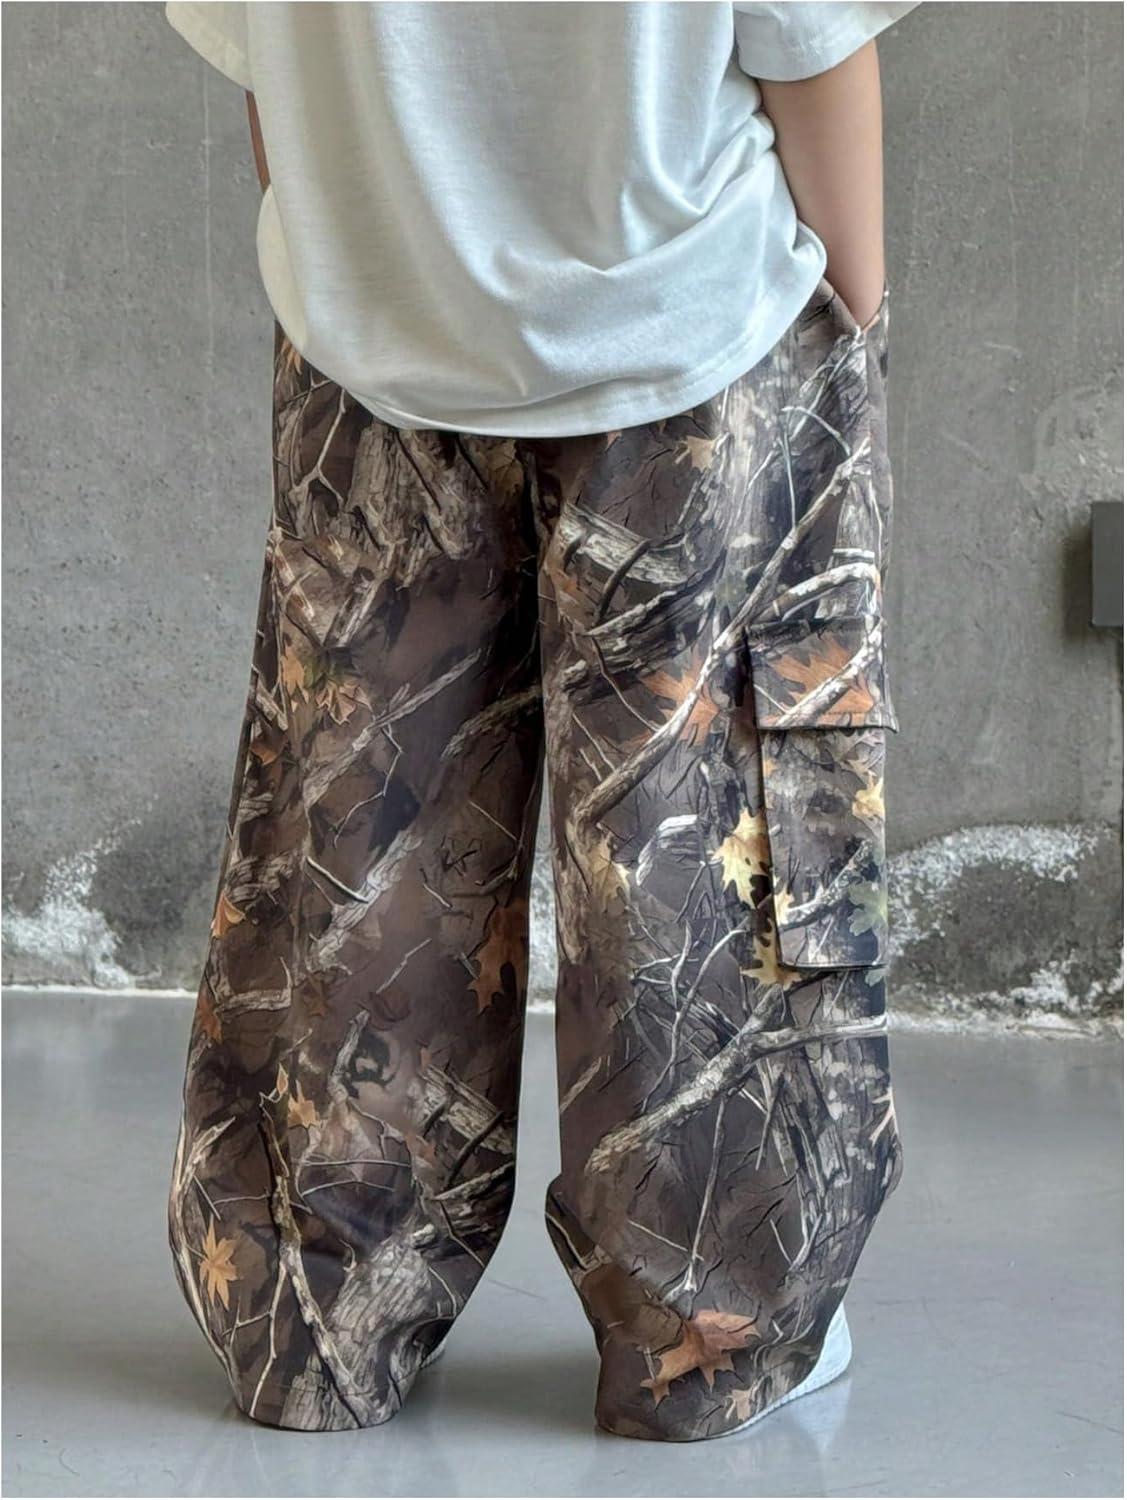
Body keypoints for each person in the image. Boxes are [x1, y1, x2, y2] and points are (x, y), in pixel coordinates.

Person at [164, 0, 916, 1442]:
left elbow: (269, 77)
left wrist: (382, 258)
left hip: (371, 339)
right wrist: (857, 329)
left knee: (366, 847)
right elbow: (814, 49)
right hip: (689, 337)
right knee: (695, 851)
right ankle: (709, 1332)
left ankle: (322, 1327)